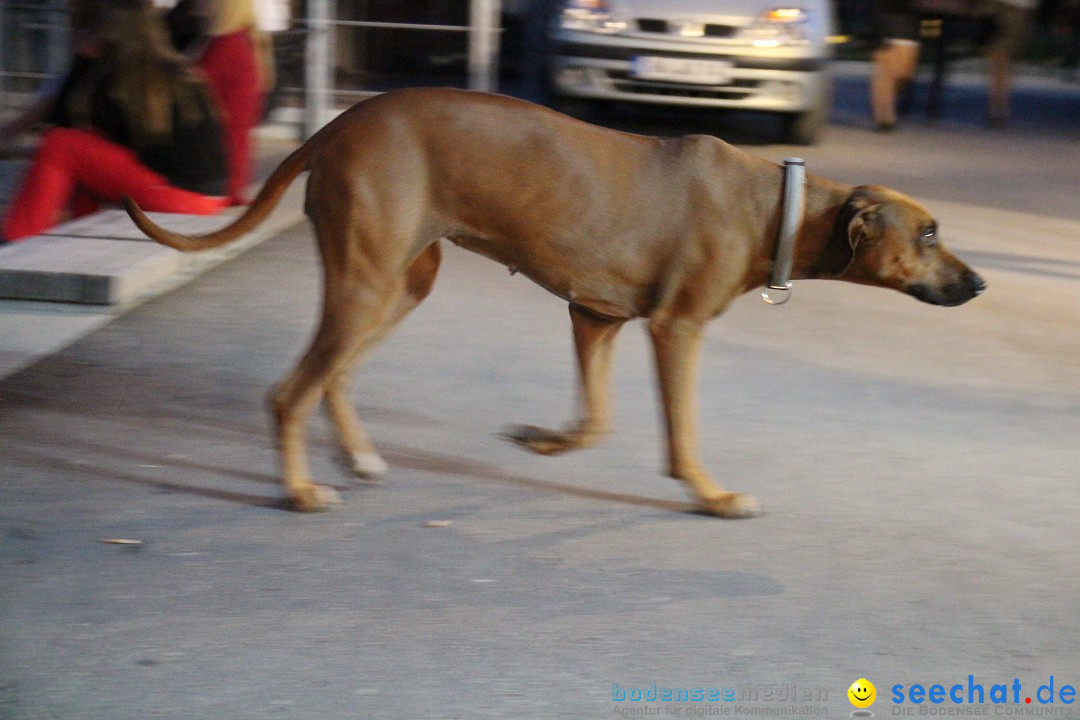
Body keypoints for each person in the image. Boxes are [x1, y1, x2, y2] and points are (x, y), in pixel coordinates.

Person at [1, 0, 228, 243]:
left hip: (182, 197)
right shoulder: (172, 69)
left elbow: (61, 121)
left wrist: (83, 60)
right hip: (208, 199)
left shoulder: (121, 76)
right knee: (86, 148)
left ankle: (15, 241)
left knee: (60, 145)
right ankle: (76, 239)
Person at [170, 0, 274, 205]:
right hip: (226, 175)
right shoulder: (244, 40)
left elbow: (183, 98)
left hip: (214, 175)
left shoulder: (226, 46)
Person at [980, 0, 1037, 126]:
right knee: (1001, 59)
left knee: (1000, 59)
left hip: (1012, 8)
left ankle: (998, 107)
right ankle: (998, 107)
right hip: (1010, 8)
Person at [871, 0, 922, 131]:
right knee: (887, 76)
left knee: (903, 76)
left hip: (909, 31)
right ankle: (884, 118)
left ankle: (885, 114)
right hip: (891, 31)